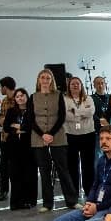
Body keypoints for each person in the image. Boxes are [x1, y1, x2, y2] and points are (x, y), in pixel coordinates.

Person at [30, 69, 75, 212]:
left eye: (48, 78)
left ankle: (71, 201)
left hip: (57, 135)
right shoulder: (33, 97)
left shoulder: (58, 95)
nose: (45, 80)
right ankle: (47, 203)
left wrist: (50, 133)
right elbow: (31, 119)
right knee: (44, 171)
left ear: (52, 80)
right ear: (38, 80)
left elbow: (62, 116)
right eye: (42, 77)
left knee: (63, 169)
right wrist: (43, 134)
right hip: (38, 137)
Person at [1, 88, 37, 210]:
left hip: (29, 146)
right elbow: (6, 127)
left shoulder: (32, 111)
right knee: (15, 174)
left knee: (30, 174)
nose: (20, 98)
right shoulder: (11, 111)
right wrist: (18, 128)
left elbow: (32, 126)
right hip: (14, 146)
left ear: (26, 97)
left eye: (22, 96)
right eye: (17, 97)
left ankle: (30, 200)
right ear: (15, 99)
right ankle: (16, 202)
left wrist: (18, 126)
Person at [64, 76, 97, 204]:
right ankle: (74, 194)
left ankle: (89, 192)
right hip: (70, 135)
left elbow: (91, 112)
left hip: (88, 134)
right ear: (69, 86)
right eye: (72, 84)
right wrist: (82, 112)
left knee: (88, 165)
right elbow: (66, 115)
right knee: (72, 165)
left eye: (77, 83)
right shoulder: (65, 99)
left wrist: (75, 112)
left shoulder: (88, 98)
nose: (75, 86)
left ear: (81, 85)